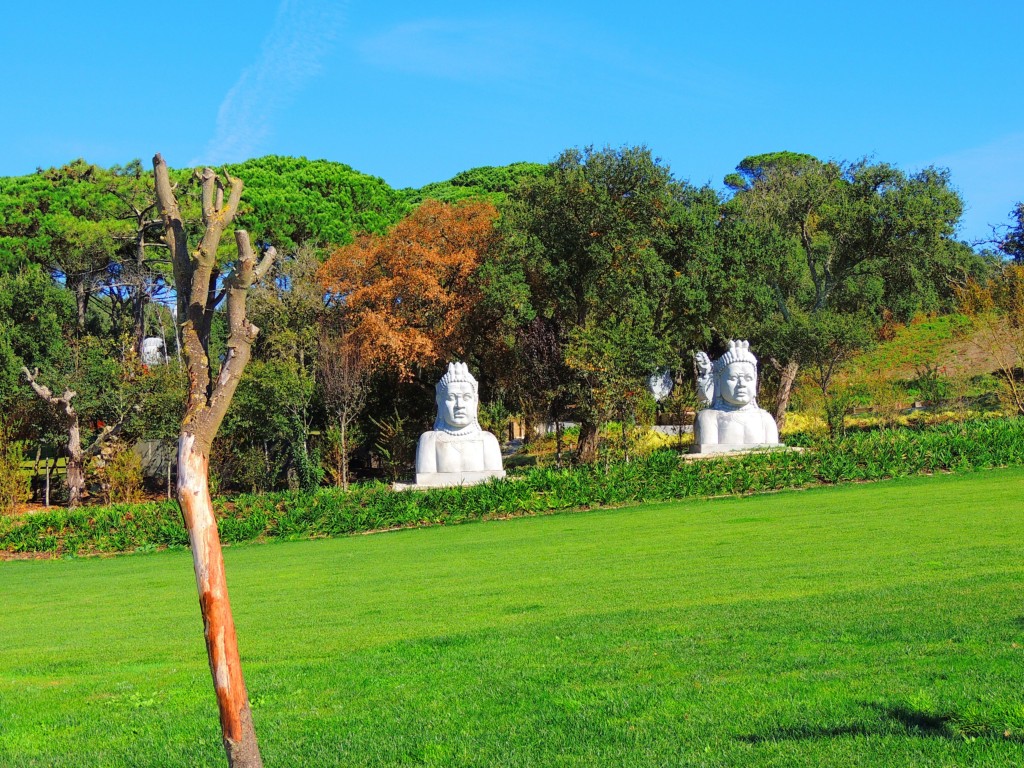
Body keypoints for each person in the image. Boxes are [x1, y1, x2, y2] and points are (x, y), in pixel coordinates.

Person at [414, 362, 505, 486]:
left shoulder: (489, 441)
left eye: (466, 397)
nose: (459, 405)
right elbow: (425, 482)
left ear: (475, 401)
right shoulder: (429, 441)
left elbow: (496, 482)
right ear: (440, 401)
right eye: (451, 398)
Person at [692, 340, 780, 452]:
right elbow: (706, 457)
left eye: (748, 378)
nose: (742, 384)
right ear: (718, 382)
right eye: (733, 378)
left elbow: (774, 455)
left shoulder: (766, 419)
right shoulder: (708, 418)